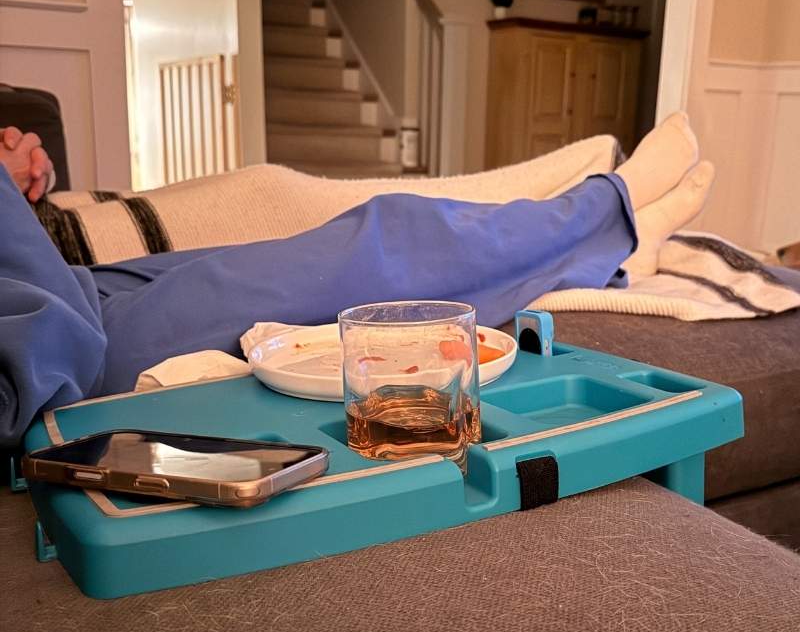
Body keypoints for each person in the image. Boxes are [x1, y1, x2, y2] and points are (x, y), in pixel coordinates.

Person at [0, 114, 714, 449]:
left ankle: (606, 238)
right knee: (389, 237)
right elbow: (43, 359)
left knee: (297, 212)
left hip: (59, 287)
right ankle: (608, 208)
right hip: (46, 347)